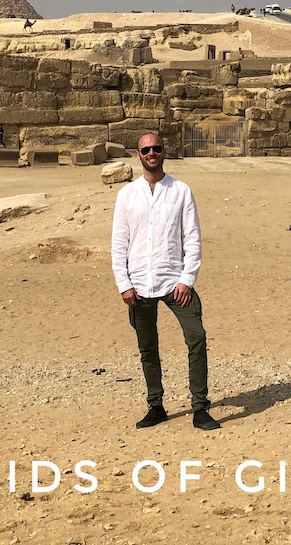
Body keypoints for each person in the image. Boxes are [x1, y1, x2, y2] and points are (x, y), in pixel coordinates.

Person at [111, 132, 219, 431]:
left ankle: (200, 407)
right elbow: (119, 243)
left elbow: (192, 238)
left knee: (196, 338)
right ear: (138, 155)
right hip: (139, 284)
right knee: (148, 348)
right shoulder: (127, 195)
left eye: (156, 148)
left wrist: (187, 279)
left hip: (175, 282)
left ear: (164, 152)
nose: (151, 153)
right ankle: (155, 406)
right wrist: (124, 283)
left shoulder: (181, 191)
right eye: (146, 150)